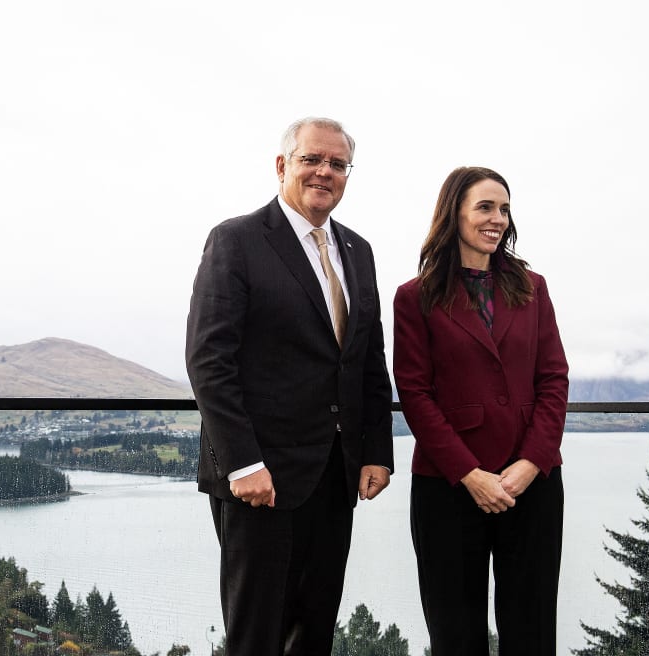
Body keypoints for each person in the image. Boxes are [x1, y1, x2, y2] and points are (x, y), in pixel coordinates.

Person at [185, 117, 394, 656]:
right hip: (262, 480)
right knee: (257, 635)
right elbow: (208, 360)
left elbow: (368, 360)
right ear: (283, 166)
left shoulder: (359, 250)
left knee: (314, 630)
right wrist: (243, 464)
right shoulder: (236, 240)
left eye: (338, 164)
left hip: (335, 477)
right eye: (312, 159)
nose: (325, 171)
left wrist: (377, 450)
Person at [392, 166, 569, 655]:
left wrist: (531, 463)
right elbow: (415, 394)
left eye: (505, 209)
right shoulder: (415, 297)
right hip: (448, 487)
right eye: (485, 207)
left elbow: (554, 378)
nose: (498, 219)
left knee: (532, 632)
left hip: (532, 485)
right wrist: (471, 475)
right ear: (455, 213)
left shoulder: (533, 287)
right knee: (455, 635)